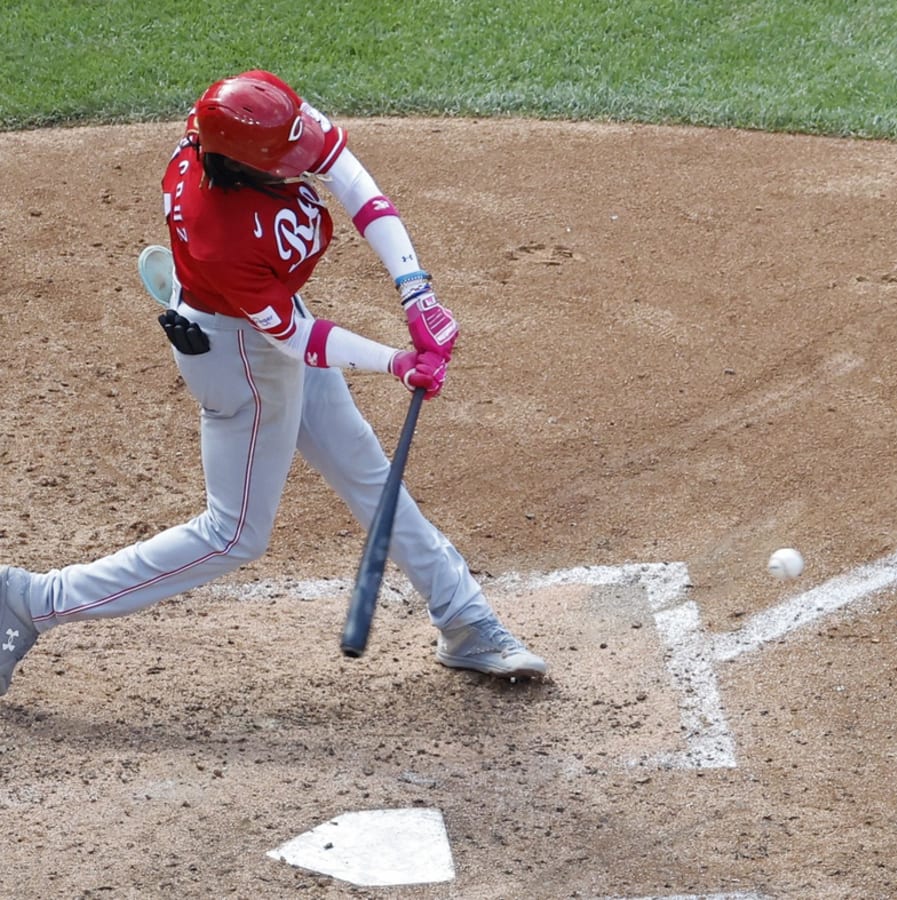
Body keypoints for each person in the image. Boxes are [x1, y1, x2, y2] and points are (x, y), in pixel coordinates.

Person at [0, 70, 547, 697]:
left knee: (367, 472)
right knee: (233, 534)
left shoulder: (237, 120)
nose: (303, 159)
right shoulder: (222, 235)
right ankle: (30, 600)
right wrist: (397, 362)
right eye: (285, 158)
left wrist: (415, 287)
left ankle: (465, 619)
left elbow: (351, 179)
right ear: (242, 167)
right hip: (240, 357)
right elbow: (297, 342)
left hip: (252, 319)